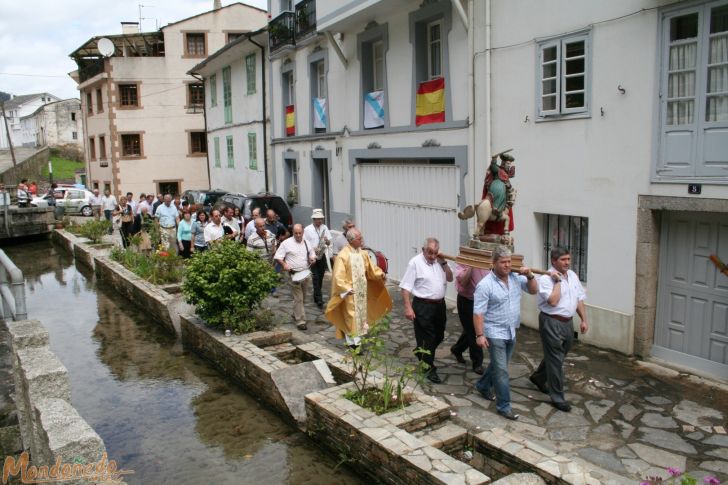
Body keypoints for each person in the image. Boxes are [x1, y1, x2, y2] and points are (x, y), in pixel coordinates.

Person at [473, 245, 537, 421]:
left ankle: (483, 385)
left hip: (511, 330)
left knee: (497, 365)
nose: (507, 265)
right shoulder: (485, 285)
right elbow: (478, 312)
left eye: (509, 262)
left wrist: (530, 275)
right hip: (494, 332)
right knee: (501, 370)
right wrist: (480, 335)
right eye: (503, 262)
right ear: (493, 263)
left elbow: (533, 290)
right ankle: (504, 406)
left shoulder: (516, 277)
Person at [529, 248, 588, 413]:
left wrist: (583, 319)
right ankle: (558, 398)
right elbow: (553, 302)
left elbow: (579, 299)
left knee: (559, 355)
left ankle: (538, 377)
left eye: (568, 259)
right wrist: (558, 282)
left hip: (568, 323)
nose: (567, 262)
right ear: (554, 261)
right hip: (551, 321)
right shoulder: (546, 279)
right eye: (563, 259)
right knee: (555, 359)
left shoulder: (573, 276)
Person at [399, 237, 453, 384]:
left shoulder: (439, 262)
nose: (433, 256)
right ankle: (428, 368)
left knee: (439, 335)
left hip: (439, 306)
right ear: (423, 250)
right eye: (430, 252)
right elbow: (405, 287)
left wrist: (444, 262)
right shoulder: (415, 263)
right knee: (427, 338)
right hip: (423, 305)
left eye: (435, 253)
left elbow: (450, 278)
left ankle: (422, 353)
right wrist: (408, 307)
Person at [325, 228, 391, 347]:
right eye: (359, 238)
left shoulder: (363, 253)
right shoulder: (343, 256)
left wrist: (380, 274)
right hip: (350, 292)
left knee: (360, 317)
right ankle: (353, 343)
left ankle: (358, 341)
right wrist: (345, 288)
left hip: (361, 291)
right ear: (351, 240)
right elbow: (338, 275)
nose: (362, 240)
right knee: (351, 317)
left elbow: (371, 270)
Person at [274, 224, 316, 330]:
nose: (298, 235)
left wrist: (312, 258)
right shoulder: (286, 243)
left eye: (300, 233)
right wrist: (284, 265)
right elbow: (278, 256)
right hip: (293, 274)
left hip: (305, 273)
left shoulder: (307, 242)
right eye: (295, 233)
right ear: (293, 232)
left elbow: (312, 253)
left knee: (304, 298)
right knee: (299, 298)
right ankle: (300, 321)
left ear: (303, 232)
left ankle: (296, 313)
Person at [451, 263, 489, 374]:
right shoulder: (463, 259)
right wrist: (472, 265)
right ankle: (477, 362)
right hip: (467, 300)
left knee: (470, 330)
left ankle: (457, 349)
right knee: (474, 331)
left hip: (483, 300)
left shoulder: (488, 258)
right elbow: (463, 281)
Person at [304, 208, 332, 309]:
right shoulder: (307, 229)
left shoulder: (324, 228)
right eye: (318, 219)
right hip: (312, 255)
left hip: (322, 254)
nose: (320, 221)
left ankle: (316, 295)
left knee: (320, 277)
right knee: (315, 277)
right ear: (314, 219)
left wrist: (327, 240)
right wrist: (312, 248)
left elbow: (329, 243)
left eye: (321, 219)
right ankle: (319, 299)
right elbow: (305, 243)